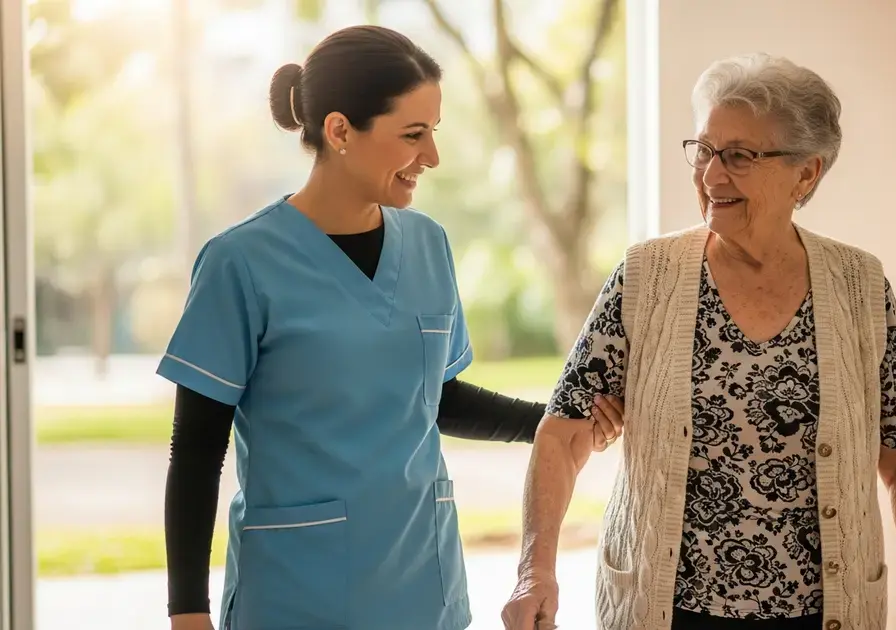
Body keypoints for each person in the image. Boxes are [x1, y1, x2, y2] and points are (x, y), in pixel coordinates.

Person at [158, 25, 624, 630]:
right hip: (297, 593)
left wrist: (556, 422)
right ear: (340, 131)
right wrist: (186, 614)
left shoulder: (428, 245)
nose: (431, 156)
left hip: (423, 588)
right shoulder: (240, 263)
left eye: (433, 132)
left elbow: (433, 398)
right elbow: (196, 450)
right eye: (413, 135)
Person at [501, 54, 896, 630]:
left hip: (828, 612)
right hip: (667, 610)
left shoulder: (859, 286)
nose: (712, 175)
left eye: (739, 157)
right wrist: (535, 572)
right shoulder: (646, 276)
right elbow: (562, 436)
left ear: (806, 173)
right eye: (705, 150)